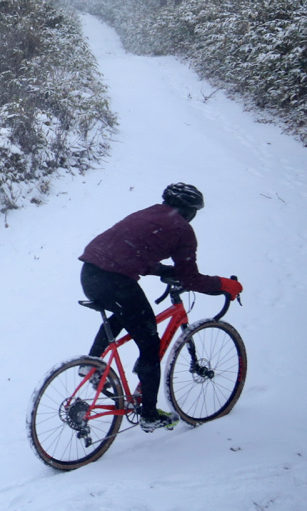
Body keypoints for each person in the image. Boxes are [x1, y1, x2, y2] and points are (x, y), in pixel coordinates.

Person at [78, 183, 243, 432]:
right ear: (190, 211)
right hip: (116, 281)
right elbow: (191, 279)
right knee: (150, 345)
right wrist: (223, 285)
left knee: (125, 313)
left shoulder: (147, 213)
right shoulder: (183, 229)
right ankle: (150, 415)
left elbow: (132, 253)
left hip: (89, 274)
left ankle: (91, 363)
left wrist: (165, 271)